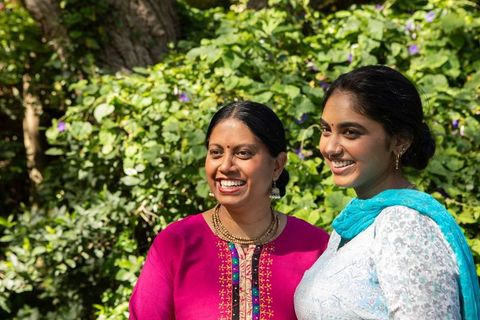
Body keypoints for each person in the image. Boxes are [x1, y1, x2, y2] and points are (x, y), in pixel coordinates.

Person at [294, 65, 480, 319]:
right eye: (326, 129)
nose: (330, 147)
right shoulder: (351, 226)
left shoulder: (405, 225)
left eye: (350, 132)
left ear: (399, 141)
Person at [130, 101, 329, 319]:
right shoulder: (176, 244)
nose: (225, 166)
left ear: (277, 166)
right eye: (215, 152)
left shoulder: (315, 248)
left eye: (243, 153)